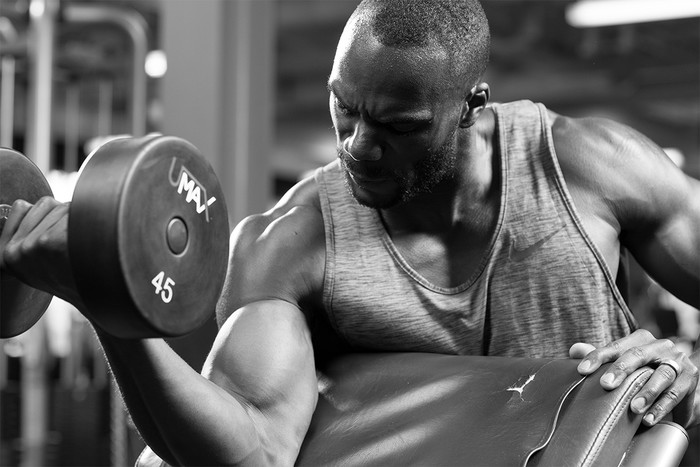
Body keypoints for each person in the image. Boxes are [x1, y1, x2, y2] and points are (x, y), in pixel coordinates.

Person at [2, 0, 699, 465]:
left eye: (398, 126)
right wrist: (111, 309)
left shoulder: (591, 168)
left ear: (470, 106)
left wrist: (685, 369)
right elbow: (252, 452)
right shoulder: (296, 238)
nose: (358, 146)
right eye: (344, 108)